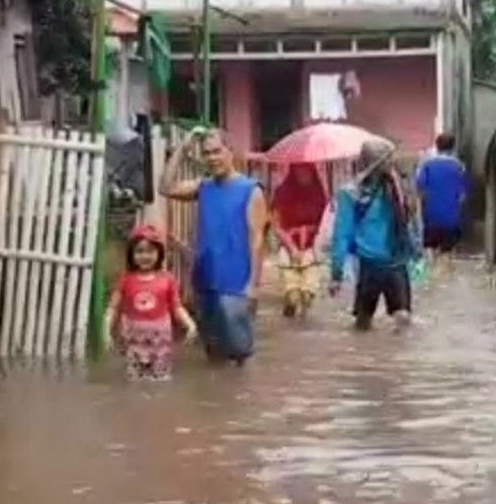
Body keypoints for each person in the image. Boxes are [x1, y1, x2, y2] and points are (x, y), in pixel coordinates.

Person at [160, 128, 268, 364]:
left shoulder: (251, 190)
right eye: (207, 154)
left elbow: (257, 239)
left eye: (217, 152)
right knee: (213, 355)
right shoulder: (203, 187)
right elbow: (165, 188)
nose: (212, 158)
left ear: (230, 152)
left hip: (236, 285)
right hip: (205, 282)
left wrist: (253, 285)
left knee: (240, 356)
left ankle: (241, 400)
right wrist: (183, 146)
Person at [329, 140, 422, 331]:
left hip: (372, 265)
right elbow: (413, 225)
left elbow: (341, 235)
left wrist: (336, 274)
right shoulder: (399, 190)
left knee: (363, 324)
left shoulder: (351, 193)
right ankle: (397, 358)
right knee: (402, 318)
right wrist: (417, 254)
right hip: (394, 262)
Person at [104, 224, 197, 381]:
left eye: (150, 251)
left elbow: (177, 307)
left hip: (160, 339)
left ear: (159, 253)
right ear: (131, 254)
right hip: (133, 337)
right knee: (134, 378)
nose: (145, 256)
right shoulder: (126, 279)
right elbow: (113, 308)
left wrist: (190, 324)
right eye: (139, 251)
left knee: (161, 378)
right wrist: (106, 330)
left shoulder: (167, 279)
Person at [270, 163, 329, 317]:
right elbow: (276, 226)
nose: (304, 175)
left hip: (312, 246)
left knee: (308, 293)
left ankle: (304, 316)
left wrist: (319, 245)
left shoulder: (319, 193)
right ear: (293, 172)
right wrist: (292, 248)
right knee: (293, 294)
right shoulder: (282, 193)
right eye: (300, 171)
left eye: (307, 171)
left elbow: (325, 224)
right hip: (289, 244)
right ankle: (290, 305)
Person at [415, 133, 468, 257]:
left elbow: (420, 190)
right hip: (451, 220)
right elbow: (462, 196)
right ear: (453, 147)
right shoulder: (459, 167)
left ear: (437, 146)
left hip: (431, 218)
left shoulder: (426, 165)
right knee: (448, 256)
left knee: (431, 254)